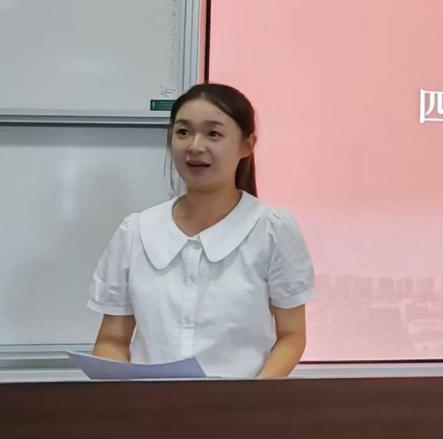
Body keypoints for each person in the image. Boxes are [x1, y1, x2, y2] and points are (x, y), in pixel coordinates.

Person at [88, 83, 314, 378]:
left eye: (213, 134)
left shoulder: (272, 230)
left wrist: (251, 396)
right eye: (183, 132)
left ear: (247, 145)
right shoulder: (135, 232)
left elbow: (292, 336)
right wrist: (125, 396)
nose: (195, 146)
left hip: (240, 404)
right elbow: (112, 340)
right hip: (150, 405)